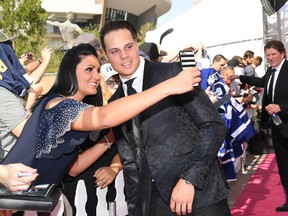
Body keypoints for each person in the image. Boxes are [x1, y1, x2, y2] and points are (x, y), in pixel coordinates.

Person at [1, 43, 200, 188]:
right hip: (10, 198)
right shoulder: (59, 105)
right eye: (89, 69)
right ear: (70, 71)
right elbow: (104, 117)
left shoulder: (73, 108)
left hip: (31, 199)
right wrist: (169, 86)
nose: (96, 76)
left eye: (97, 70)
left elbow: (73, 167)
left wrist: (108, 140)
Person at [100, 20, 230, 216]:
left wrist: (189, 180)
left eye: (128, 46)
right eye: (115, 51)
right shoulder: (116, 103)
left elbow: (213, 125)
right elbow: (131, 162)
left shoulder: (172, 73)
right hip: (155, 202)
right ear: (106, 56)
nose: (124, 56)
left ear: (136, 44)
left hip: (201, 195)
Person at [230, 40, 288, 212]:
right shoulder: (270, 71)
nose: (270, 58)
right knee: (284, 164)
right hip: (278, 127)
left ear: (282, 54)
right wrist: (238, 77)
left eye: (273, 55)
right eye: (268, 55)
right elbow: (260, 81)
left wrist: (281, 107)